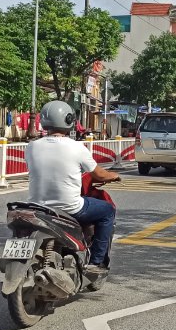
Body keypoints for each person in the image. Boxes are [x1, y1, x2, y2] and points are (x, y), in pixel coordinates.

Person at [25, 100, 121, 279]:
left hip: (36, 207)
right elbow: (99, 175)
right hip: (70, 207)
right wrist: (114, 176)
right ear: (69, 120)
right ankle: (96, 262)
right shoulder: (77, 147)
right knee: (107, 211)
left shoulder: (31, 147)